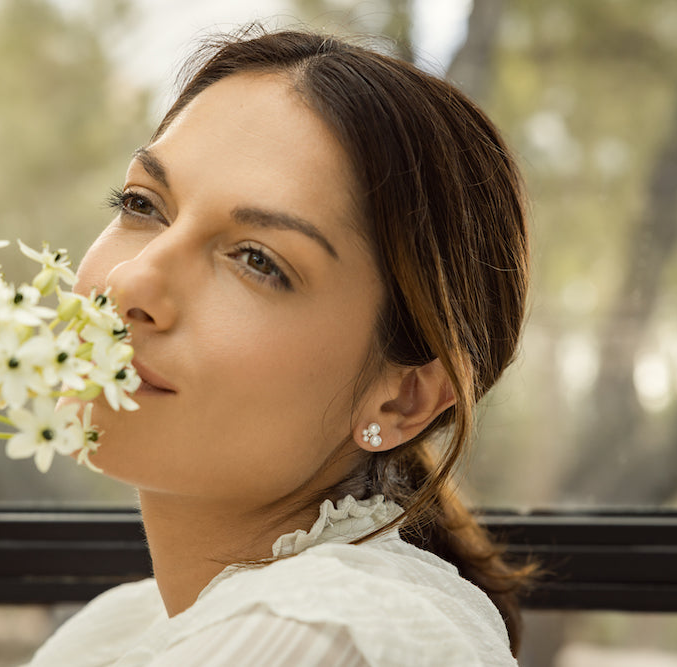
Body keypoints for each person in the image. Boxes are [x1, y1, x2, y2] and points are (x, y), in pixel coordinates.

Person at [27, 26, 533, 666]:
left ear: (403, 399)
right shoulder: (126, 626)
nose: (132, 282)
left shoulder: (315, 629)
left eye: (258, 261)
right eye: (142, 204)